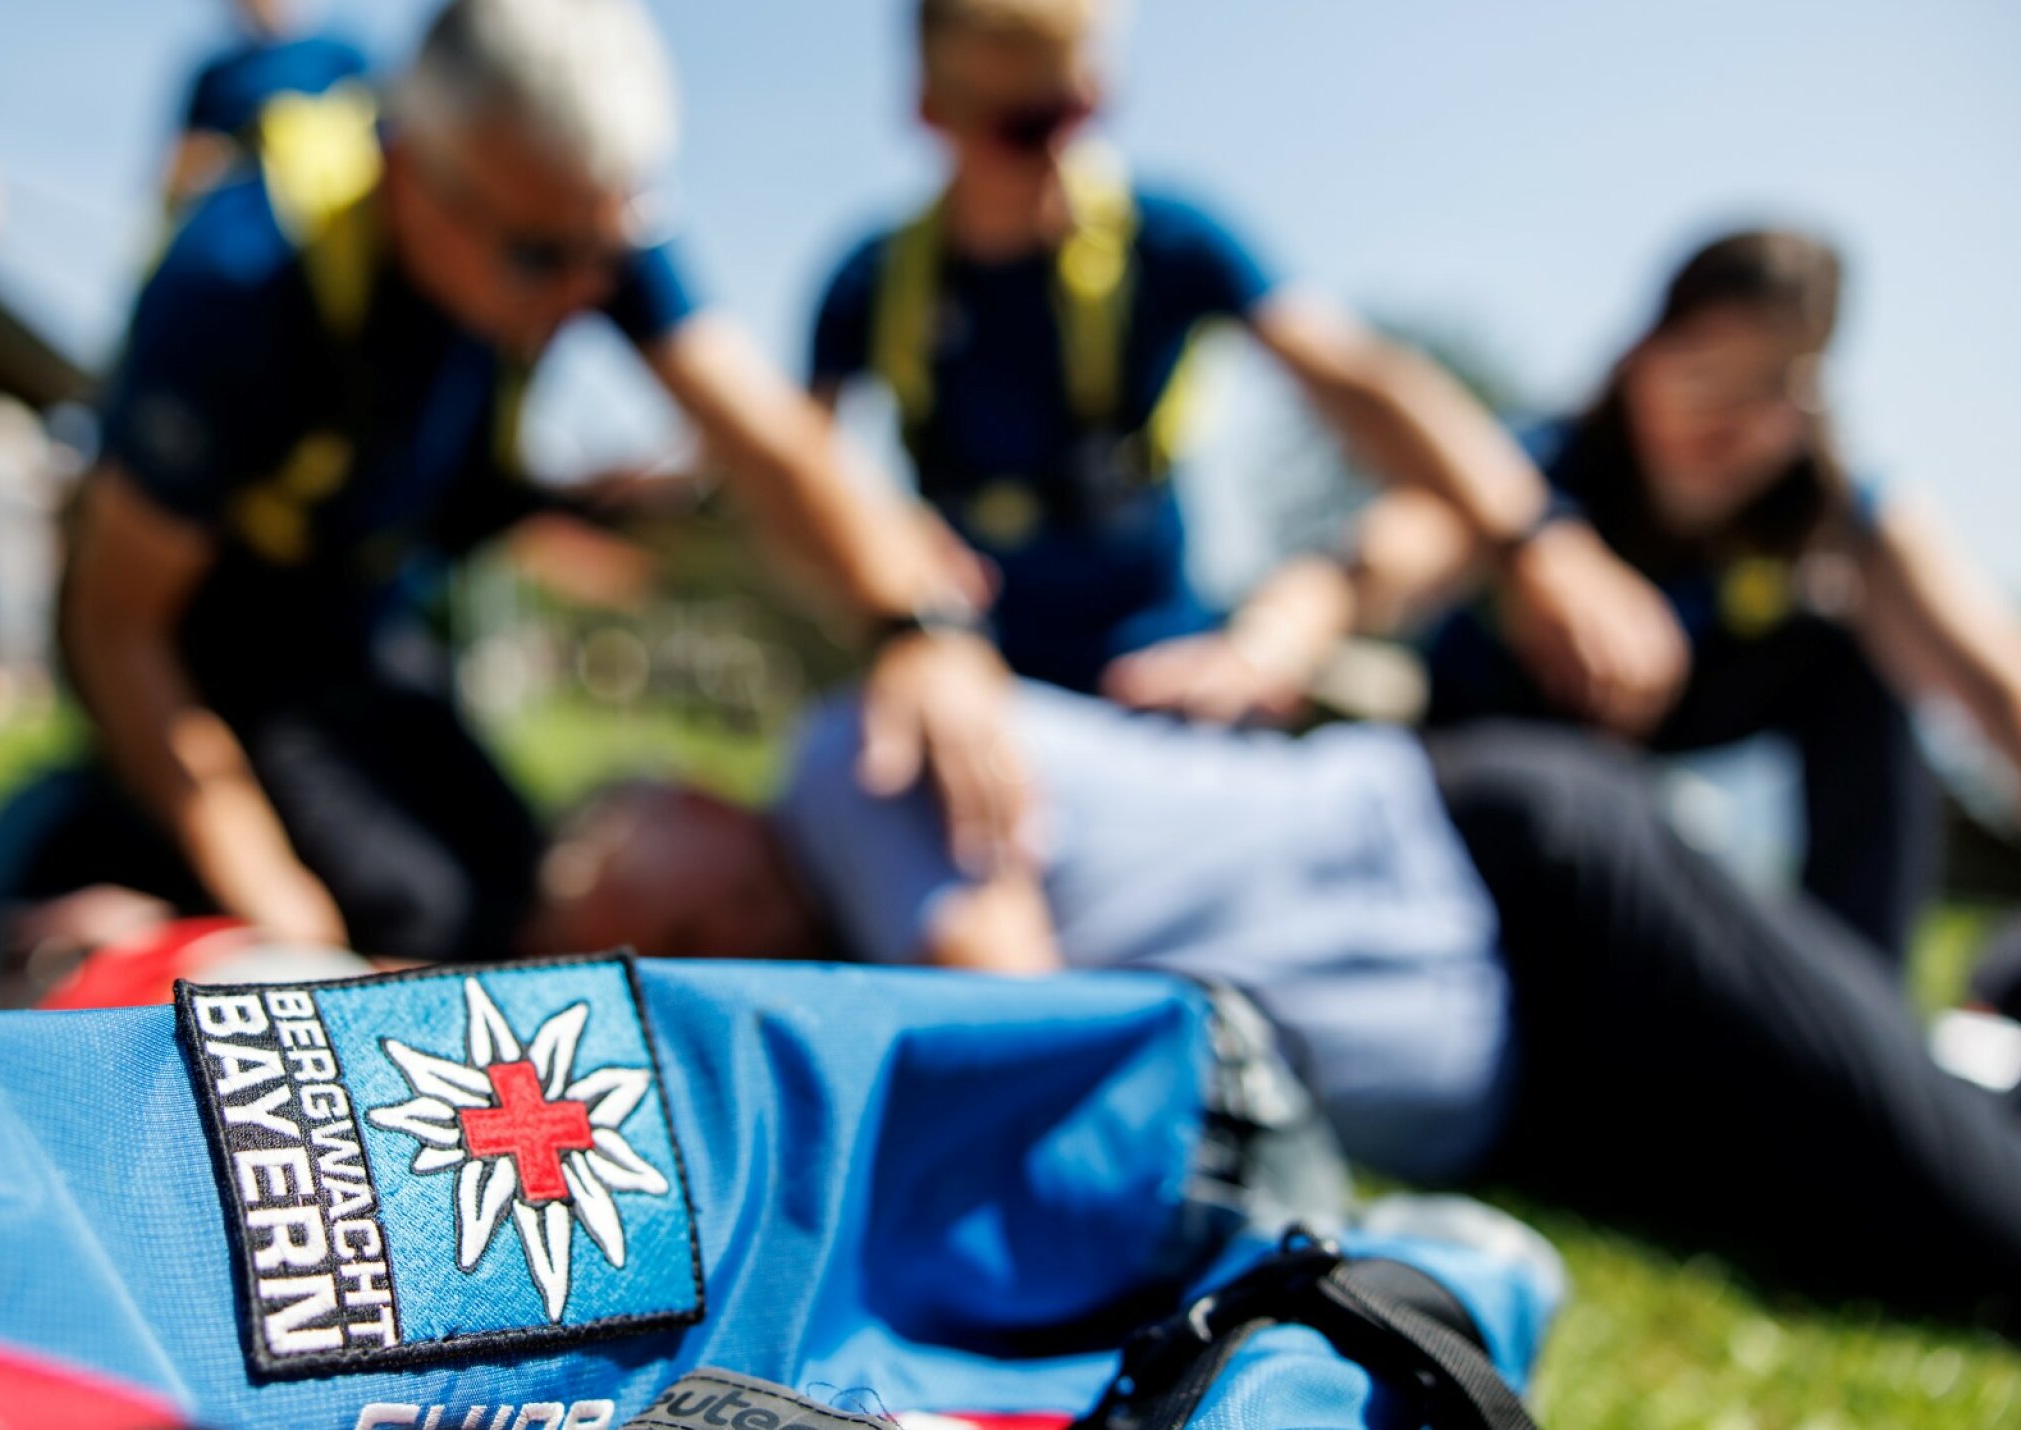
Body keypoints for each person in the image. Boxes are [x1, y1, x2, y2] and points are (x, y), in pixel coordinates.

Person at [530, 680, 2021, 1329]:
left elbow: (1042, 1035)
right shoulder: (843, 942)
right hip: (1547, 1078)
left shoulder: (844, 761)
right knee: (1876, 1211)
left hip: (1535, 893)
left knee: (1984, 1220)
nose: (706, 939)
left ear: (683, 794)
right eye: (667, 953)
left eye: (668, 903)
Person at [47, 0, 1023, 966]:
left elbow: (766, 443)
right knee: (410, 916)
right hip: (210, 640)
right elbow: (116, 624)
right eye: (540, 258)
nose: (581, 293)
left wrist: (917, 630)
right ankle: (78, 880)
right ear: (411, 177)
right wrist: (264, 883)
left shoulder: (565, 211)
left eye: (608, 253)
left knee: (510, 883)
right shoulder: (239, 283)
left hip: (365, 625)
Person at [808, 0, 1684, 727]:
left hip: (1161, 674)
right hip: (965, 682)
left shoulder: (1171, 240)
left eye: (1085, 107)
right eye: (1029, 125)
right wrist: (881, 553)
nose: (1066, 148)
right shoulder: (872, 283)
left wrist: (1537, 541)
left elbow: (1356, 380)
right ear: (932, 111)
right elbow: (785, 477)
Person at [1375, 230, 2021, 962]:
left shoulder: (1826, 508)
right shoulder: (1536, 471)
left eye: (1775, 388)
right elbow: (1377, 561)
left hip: (1676, 726)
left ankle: (1851, 1017)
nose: (1730, 426)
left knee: (1856, 661)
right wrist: (1281, 634)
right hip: (1501, 755)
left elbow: (1996, 682)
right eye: (1705, 375)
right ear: (1642, 357)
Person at [165, 0, 371, 209]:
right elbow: (179, 170)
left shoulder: (340, 58)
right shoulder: (215, 80)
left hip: (327, 213)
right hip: (234, 215)